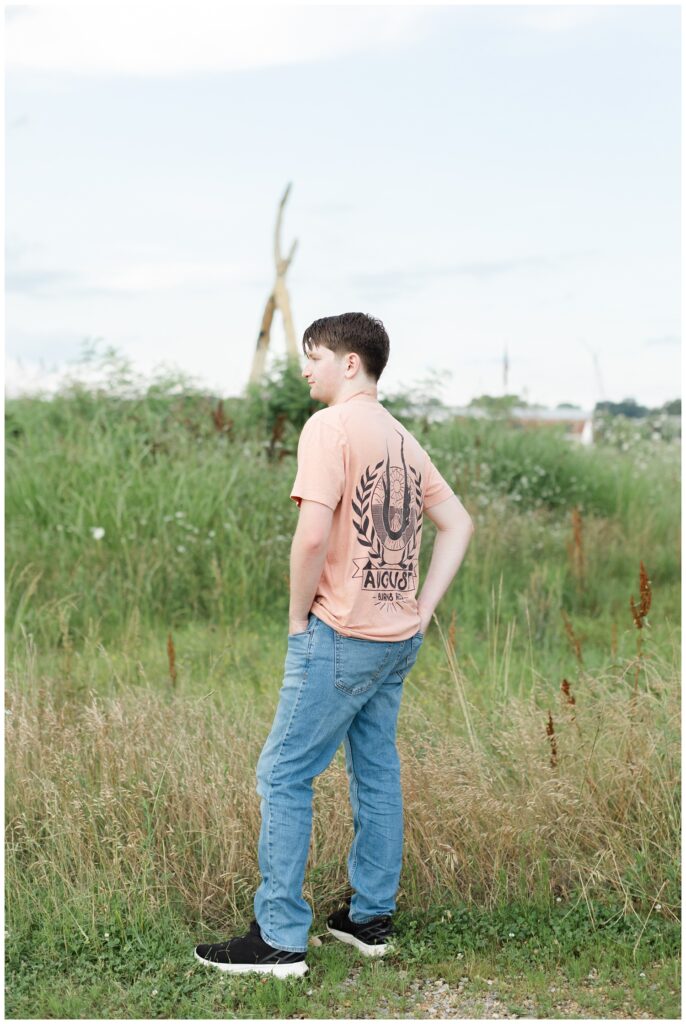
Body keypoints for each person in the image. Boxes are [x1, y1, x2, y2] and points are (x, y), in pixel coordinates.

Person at [195, 312, 475, 976]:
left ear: (351, 362)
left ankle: (280, 940)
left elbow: (313, 536)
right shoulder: (403, 438)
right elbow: (457, 523)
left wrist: (298, 620)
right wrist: (422, 607)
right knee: (376, 771)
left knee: (284, 774)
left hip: (342, 633)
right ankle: (368, 920)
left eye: (313, 355)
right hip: (395, 638)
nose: (304, 368)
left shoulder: (329, 428)